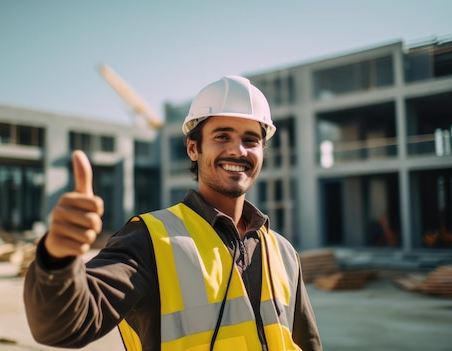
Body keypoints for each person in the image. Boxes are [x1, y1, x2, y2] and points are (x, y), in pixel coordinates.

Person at [23, 76, 322, 350]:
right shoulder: (150, 240)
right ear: (193, 149)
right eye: (222, 136)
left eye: (251, 140)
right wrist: (57, 258)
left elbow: (307, 343)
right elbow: (61, 326)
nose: (238, 151)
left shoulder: (283, 252)